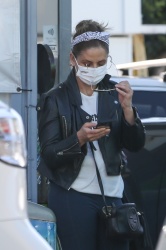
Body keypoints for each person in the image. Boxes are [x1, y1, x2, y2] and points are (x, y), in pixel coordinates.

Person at [37, 19, 146, 250]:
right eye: (87, 63)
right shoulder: (55, 99)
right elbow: (48, 154)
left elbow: (136, 144)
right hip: (73, 194)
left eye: (100, 63)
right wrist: (79, 138)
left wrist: (128, 110)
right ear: (72, 60)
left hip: (114, 195)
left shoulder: (114, 94)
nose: (93, 69)